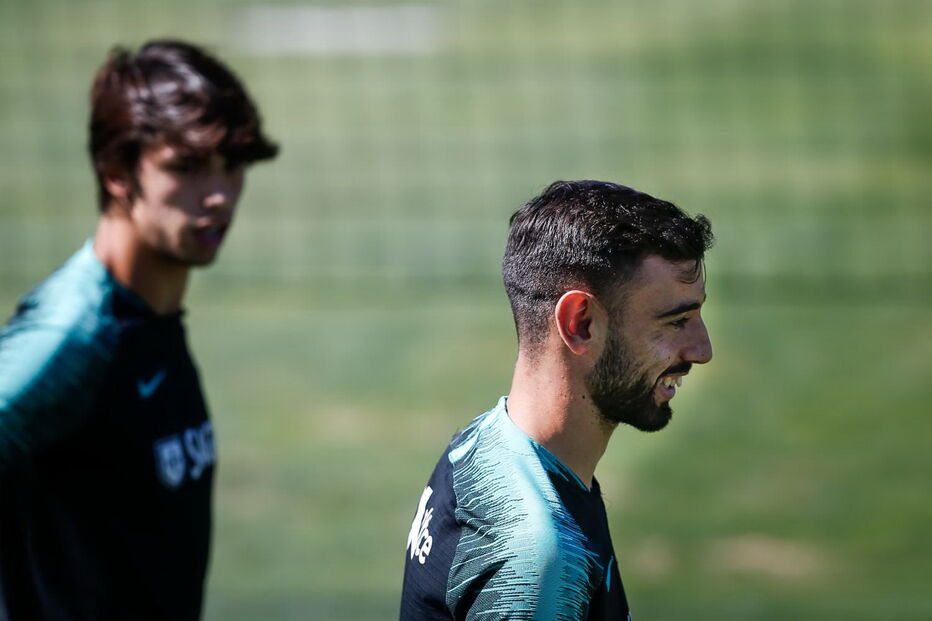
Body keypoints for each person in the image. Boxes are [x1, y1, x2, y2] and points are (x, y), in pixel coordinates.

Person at [0, 40, 277, 620]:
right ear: (117, 173)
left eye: (232, 163)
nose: (220, 193)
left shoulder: (151, 316)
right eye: (187, 167)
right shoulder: (74, 337)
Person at [399, 180, 714, 620]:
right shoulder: (537, 561)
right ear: (581, 323)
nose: (702, 350)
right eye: (675, 321)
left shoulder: (483, 441)